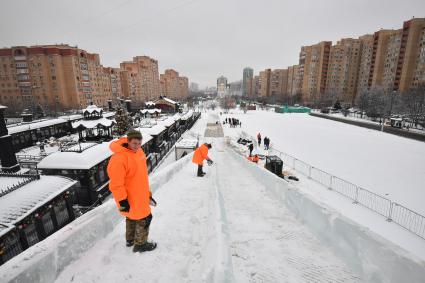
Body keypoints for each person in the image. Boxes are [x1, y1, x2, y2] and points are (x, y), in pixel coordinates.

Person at [107, 130, 157, 253]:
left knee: (131, 217)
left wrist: (148, 195)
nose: (137, 146)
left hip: (140, 194)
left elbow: (142, 177)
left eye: (139, 143)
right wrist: (122, 201)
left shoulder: (139, 152)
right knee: (145, 217)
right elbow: (116, 184)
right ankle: (140, 244)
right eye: (134, 143)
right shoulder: (119, 158)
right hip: (128, 197)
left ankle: (130, 240)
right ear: (128, 141)